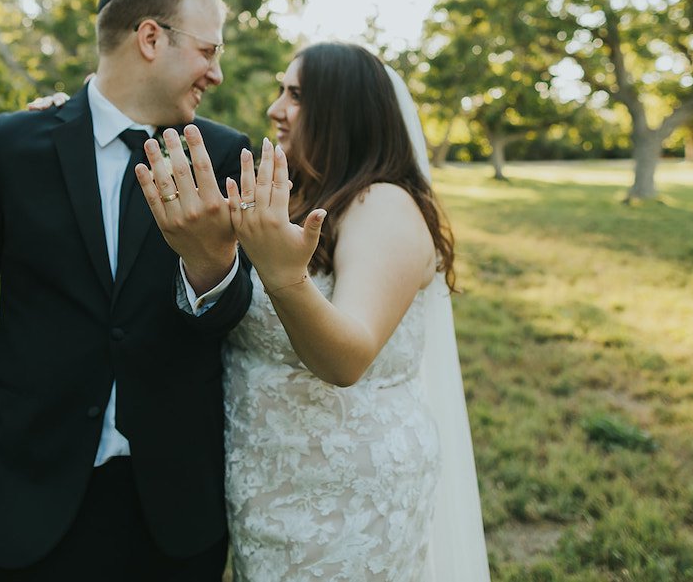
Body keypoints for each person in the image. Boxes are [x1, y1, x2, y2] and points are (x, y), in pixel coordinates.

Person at [0, 0, 254, 580]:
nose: (217, 73)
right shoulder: (8, 149)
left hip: (176, 517)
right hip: (29, 505)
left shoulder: (225, 155)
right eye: (207, 51)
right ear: (150, 39)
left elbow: (232, 318)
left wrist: (211, 263)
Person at [132, 42, 489, 581]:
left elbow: (348, 359)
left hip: (347, 500)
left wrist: (285, 277)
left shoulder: (383, 205)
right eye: (281, 90)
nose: (275, 108)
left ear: (346, 110)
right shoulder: (292, 195)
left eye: (295, 95)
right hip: (268, 486)